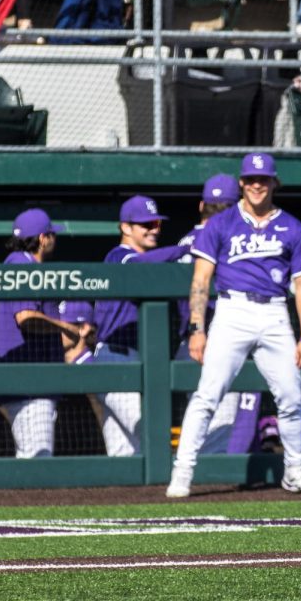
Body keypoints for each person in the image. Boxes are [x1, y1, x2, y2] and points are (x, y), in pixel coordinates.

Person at [168, 153, 301, 498]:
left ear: (274, 183)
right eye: (251, 179)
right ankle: (182, 472)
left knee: (290, 395)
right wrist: (197, 328)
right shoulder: (221, 223)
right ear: (242, 183)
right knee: (208, 394)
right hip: (232, 310)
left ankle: (296, 472)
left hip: (274, 313)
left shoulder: (292, 226)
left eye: (264, 179)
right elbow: (201, 280)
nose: (257, 185)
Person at [93, 196, 189, 457]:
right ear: (126, 228)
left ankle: (125, 499)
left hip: (128, 357)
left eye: (156, 223)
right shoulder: (119, 255)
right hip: (115, 358)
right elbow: (137, 266)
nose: (154, 229)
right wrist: (183, 249)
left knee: (124, 453)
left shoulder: (151, 262)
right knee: (151, 432)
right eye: (146, 224)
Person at [0, 209, 92, 458]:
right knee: (37, 459)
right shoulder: (20, 262)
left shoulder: (23, 263)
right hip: (28, 380)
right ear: (42, 238)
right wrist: (66, 328)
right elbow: (26, 318)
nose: (53, 239)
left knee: (33, 457)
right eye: (51, 234)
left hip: (33, 379)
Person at [173, 175, 253, 454]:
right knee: (220, 418)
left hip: (189, 341)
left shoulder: (185, 240)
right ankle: (208, 478)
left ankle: (193, 472)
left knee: (200, 413)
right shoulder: (226, 241)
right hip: (217, 339)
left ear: (200, 206)